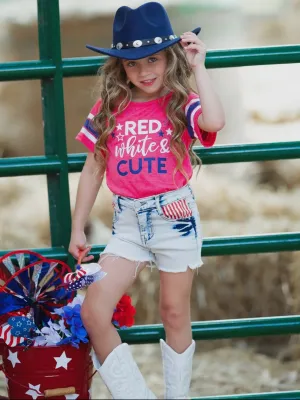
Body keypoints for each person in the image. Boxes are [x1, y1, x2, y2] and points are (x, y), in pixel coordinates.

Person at [68, 2, 225, 399]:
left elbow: (215, 122)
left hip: (175, 216)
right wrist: (76, 226)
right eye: (132, 63)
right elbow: (92, 170)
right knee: (93, 312)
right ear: (120, 68)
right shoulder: (110, 109)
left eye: (152, 59)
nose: (144, 71)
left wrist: (198, 68)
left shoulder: (179, 101)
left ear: (169, 57)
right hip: (128, 224)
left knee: (173, 313)